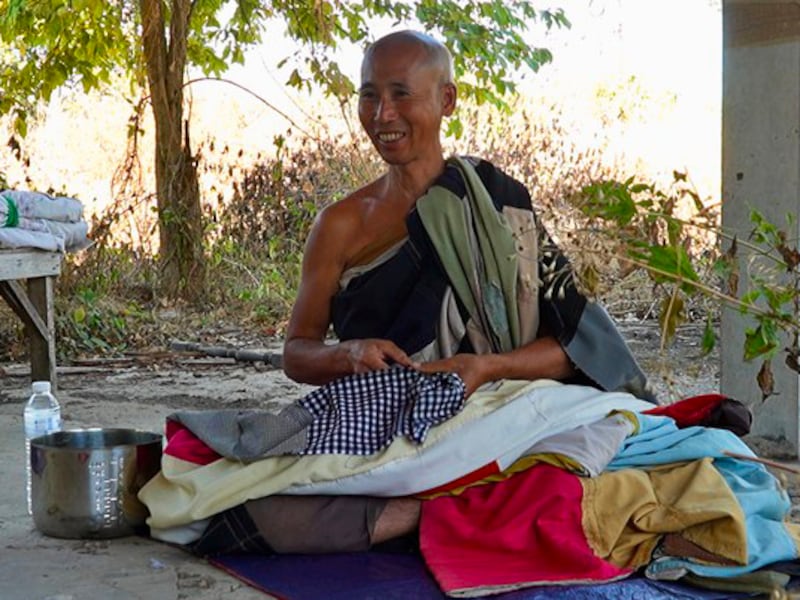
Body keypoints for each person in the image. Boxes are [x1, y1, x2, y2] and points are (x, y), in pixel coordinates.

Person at [190, 29, 654, 557]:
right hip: (388, 425)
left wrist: (486, 369)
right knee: (244, 510)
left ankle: (435, 508)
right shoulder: (340, 225)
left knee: (600, 454)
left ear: (446, 100)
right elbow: (297, 354)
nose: (382, 114)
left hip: (501, 410)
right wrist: (349, 354)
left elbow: (575, 348)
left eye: (400, 93)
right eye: (369, 95)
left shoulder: (503, 206)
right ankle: (456, 506)